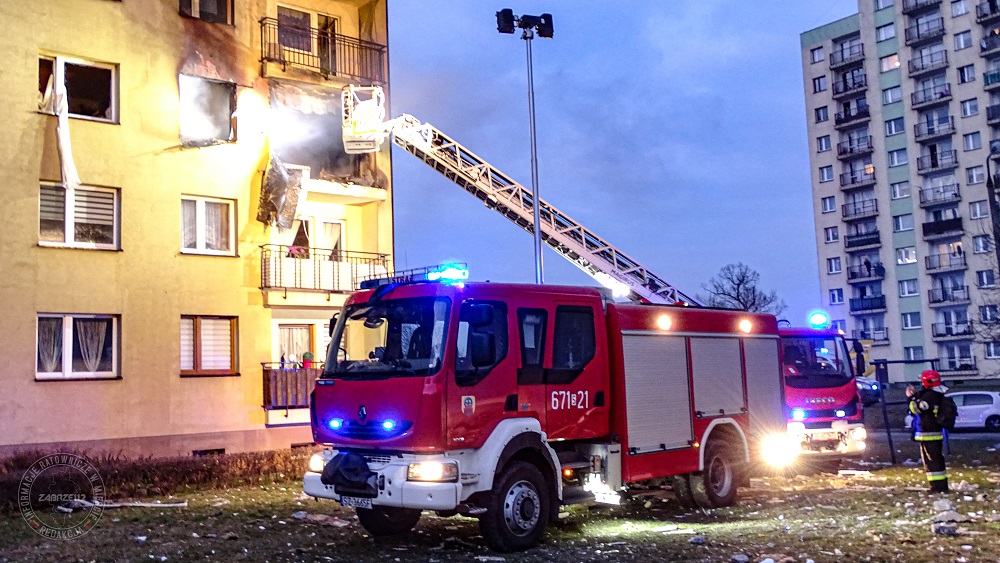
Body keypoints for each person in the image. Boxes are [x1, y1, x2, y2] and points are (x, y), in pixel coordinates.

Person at [907, 370, 949, 493]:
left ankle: (938, 487)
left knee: (933, 462)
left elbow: (916, 409)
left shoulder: (930, 396)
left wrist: (910, 399)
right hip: (932, 433)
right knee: (934, 460)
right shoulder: (935, 394)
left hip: (929, 433)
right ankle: (939, 486)